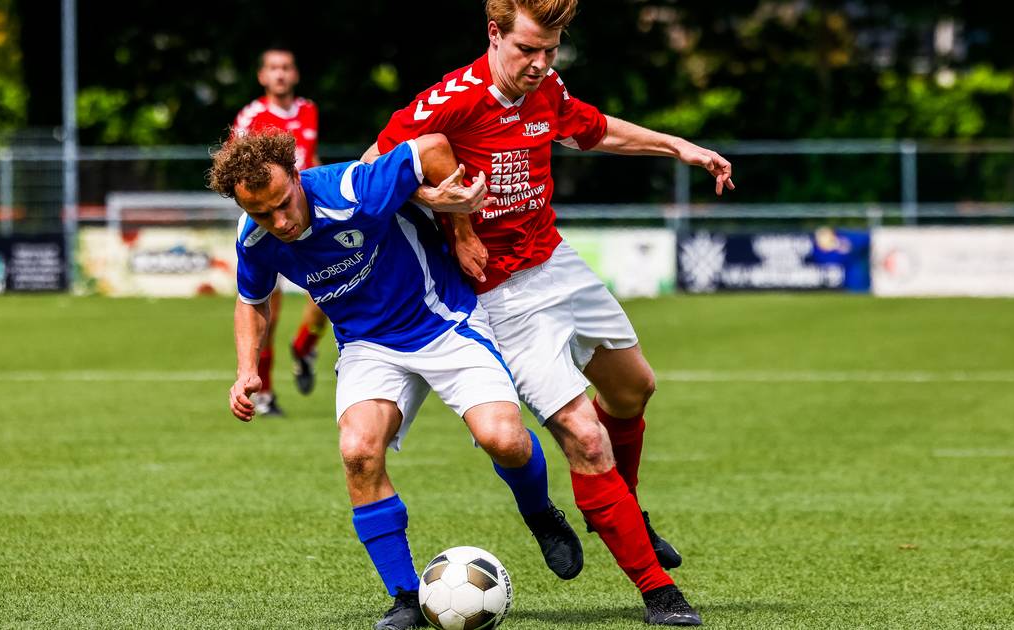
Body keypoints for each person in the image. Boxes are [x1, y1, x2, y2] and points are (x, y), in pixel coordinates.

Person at [365, 0, 735, 624]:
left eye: (551, 51)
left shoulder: (548, 87)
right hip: (498, 295)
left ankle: (623, 509)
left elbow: (594, 130)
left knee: (635, 389)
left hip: (557, 262)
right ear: (494, 34)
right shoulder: (447, 103)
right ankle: (657, 592)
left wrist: (679, 147)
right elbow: (375, 175)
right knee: (586, 438)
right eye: (527, 50)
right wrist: (448, 210)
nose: (539, 64)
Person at [208, 130, 581, 630]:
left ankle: (540, 515)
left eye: (283, 203)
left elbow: (431, 145)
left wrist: (463, 231)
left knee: (505, 439)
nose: (280, 222)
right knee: (358, 451)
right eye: (262, 214)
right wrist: (246, 369)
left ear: (297, 177)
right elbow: (251, 301)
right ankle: (406, 597)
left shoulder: (351, 189)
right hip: (368, 346)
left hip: (442, 320)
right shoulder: (254, 237)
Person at [231, 47, 328, 414]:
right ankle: (266, 394)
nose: (280, 74)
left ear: (295, 74)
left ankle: (303, 347)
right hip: (271, 223)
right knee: (265, 308)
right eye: (273, 68)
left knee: (328, 294)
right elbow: (235, 173)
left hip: (307, 216)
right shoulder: (251, 116)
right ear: (262, 76)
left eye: (286, 67)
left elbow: (310, 159)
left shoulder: (308, 110)